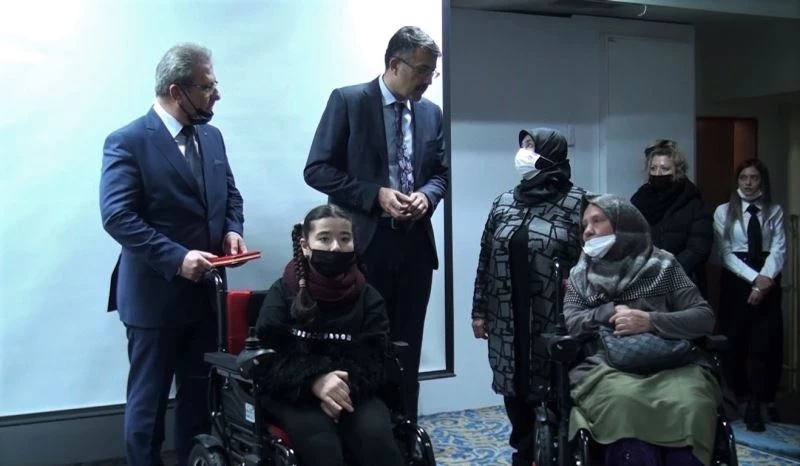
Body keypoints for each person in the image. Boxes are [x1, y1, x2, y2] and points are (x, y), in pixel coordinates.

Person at [99, 43, 246, 466]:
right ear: (176, 91)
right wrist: (177, 258)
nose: (217, 95)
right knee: (148, 408)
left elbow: (231, 196)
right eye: (207, 87)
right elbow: (117, 217)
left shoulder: (212, 137)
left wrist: (232, 231)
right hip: (154, 300)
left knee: (199, 403)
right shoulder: (128, 141)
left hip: (206, 298)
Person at [304, 26, 448, 422]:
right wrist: (376, 195)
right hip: (365, 246)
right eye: (422, 70)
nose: (428, 80)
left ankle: (405, 435)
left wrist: (427, 196)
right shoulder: (349, 101)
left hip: (415, 247)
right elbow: (317, 170)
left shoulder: (430, 112)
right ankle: (364, 434)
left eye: (433, 72)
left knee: (408, 349)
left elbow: (440, 173)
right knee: (363, 346)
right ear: (394, 65)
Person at [564, 194, 720, 466]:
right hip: (608, 367)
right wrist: (609, 311)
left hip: (673, 362)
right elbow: (573, 322)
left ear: (624, 224)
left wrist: (650, 321)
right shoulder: (581, 275)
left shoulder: (663, 266)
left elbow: (704, 317)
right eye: (584, 225)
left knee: (691, 402)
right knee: (623, 401)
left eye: (597, 221)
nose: (587, 230)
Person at [255, 204, 405, 466]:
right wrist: (315, 381)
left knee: (376, 440)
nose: (336, 247)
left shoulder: (368, 296)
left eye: (345, 239)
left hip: (354, 389)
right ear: (305, 246)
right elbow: (268, 352)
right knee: (321, 447)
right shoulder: (282, 291)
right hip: (292, 392)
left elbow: (376, 354)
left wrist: (340, 388)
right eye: (324, 239)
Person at [471, 128, 585, 466]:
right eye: (522, 146)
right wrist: (479, 311)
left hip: (555, 316)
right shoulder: (504, 202)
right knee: (514, 384)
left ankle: (555, 452)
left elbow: (591, 262)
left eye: (532, 146)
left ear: (552, 154)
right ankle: (524, 451)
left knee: (554, 390)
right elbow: (485, 258)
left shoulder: (578, 202)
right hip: (507, 315)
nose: (523, 153)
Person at [713, 158, 786, 431]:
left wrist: (765, 280)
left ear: (762, 180)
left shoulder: (773, 210)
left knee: (765, 343)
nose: (748, 183)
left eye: (754, 178)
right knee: (734, 341)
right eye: (744, 177)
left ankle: (761, 400)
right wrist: (754, 280)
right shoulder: (724, 211)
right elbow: (724, 252)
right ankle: (737, 398)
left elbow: (778, 249)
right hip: (737, 279)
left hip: (768, 278)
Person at [630, 139, 713, 294]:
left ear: (677, 171)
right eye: (653, 168)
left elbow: (699, 248)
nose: (657, 173)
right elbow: (632, 241)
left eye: (664, 168)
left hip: (683, 283)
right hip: (646, 282)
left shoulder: (693, 203)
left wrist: (666, 271)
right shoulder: (639, 201)